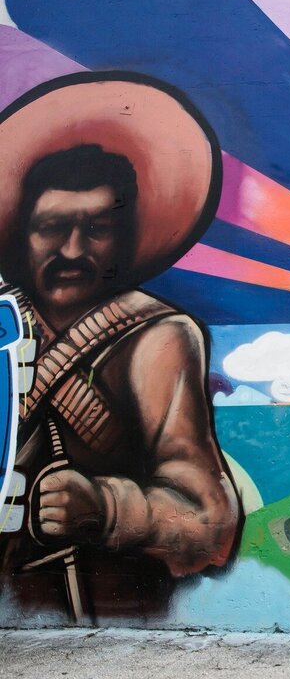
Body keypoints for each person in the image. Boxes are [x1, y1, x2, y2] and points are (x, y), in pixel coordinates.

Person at [0, 74, 241, 621]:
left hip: (103, 612)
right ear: (23, 232)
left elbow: (209, 523)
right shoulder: (6, 321)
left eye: (97, 228)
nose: (72, 249)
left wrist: (105, 508)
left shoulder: (156, 338)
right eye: (51, 227)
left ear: (128, 234)